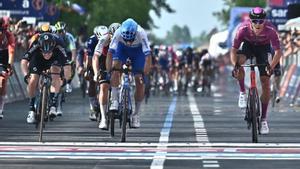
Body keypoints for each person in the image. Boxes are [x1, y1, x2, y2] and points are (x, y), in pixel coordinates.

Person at [231, 7, 282, 134]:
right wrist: (235, 66)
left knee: (265, 82)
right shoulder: (242, 29)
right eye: (255, 21)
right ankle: (242, 92)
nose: (258, 24)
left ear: (265, 21)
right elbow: (233, 50)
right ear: (250, 21)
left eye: (261, 21)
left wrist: (271, 66)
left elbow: (278, 52)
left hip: (263, 49)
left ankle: (263, 119)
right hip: (248, 46)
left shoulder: (271, 31)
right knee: (239, 62)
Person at [106, 18, 151, 128]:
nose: (129, 43)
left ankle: (136, 114)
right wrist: (109, 71)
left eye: (131, 40)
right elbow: (110, 54)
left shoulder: (141, 33)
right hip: (122, 49)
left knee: (139, 81)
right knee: (115, 69)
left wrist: (144, 73)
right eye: (127, 40)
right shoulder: (118, 33)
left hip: (138, 52)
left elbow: (148, 56)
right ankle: (115, 100)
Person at [21, 33, 66, 123]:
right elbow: (24, 61)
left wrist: (64, 77)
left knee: (56, 74)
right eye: (44, 52)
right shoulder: (36, 44)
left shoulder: (59, 45)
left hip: (54, 60)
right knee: (33, 80)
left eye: (49, 52)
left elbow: (66, 65)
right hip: (37, 60)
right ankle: (31, 109)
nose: (47, 54)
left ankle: (53, 105)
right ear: (40, 48)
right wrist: (26, 75)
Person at [93, 23, 121, 129]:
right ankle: (104, 118)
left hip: (118, 59)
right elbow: (95, 57)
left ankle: (118, 98)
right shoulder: (103, 40)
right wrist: (96, 73)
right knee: (103, 87)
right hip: (103, 60)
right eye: (112, 37)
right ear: (109, 34)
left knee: (118, 75)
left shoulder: (123, 39)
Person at [0, 17, 15, 119]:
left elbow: (11, 52)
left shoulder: (9, 35)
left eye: (2, 31)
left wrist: (9, 65)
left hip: (3, 56)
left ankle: (1, 108)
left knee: (2, 81)